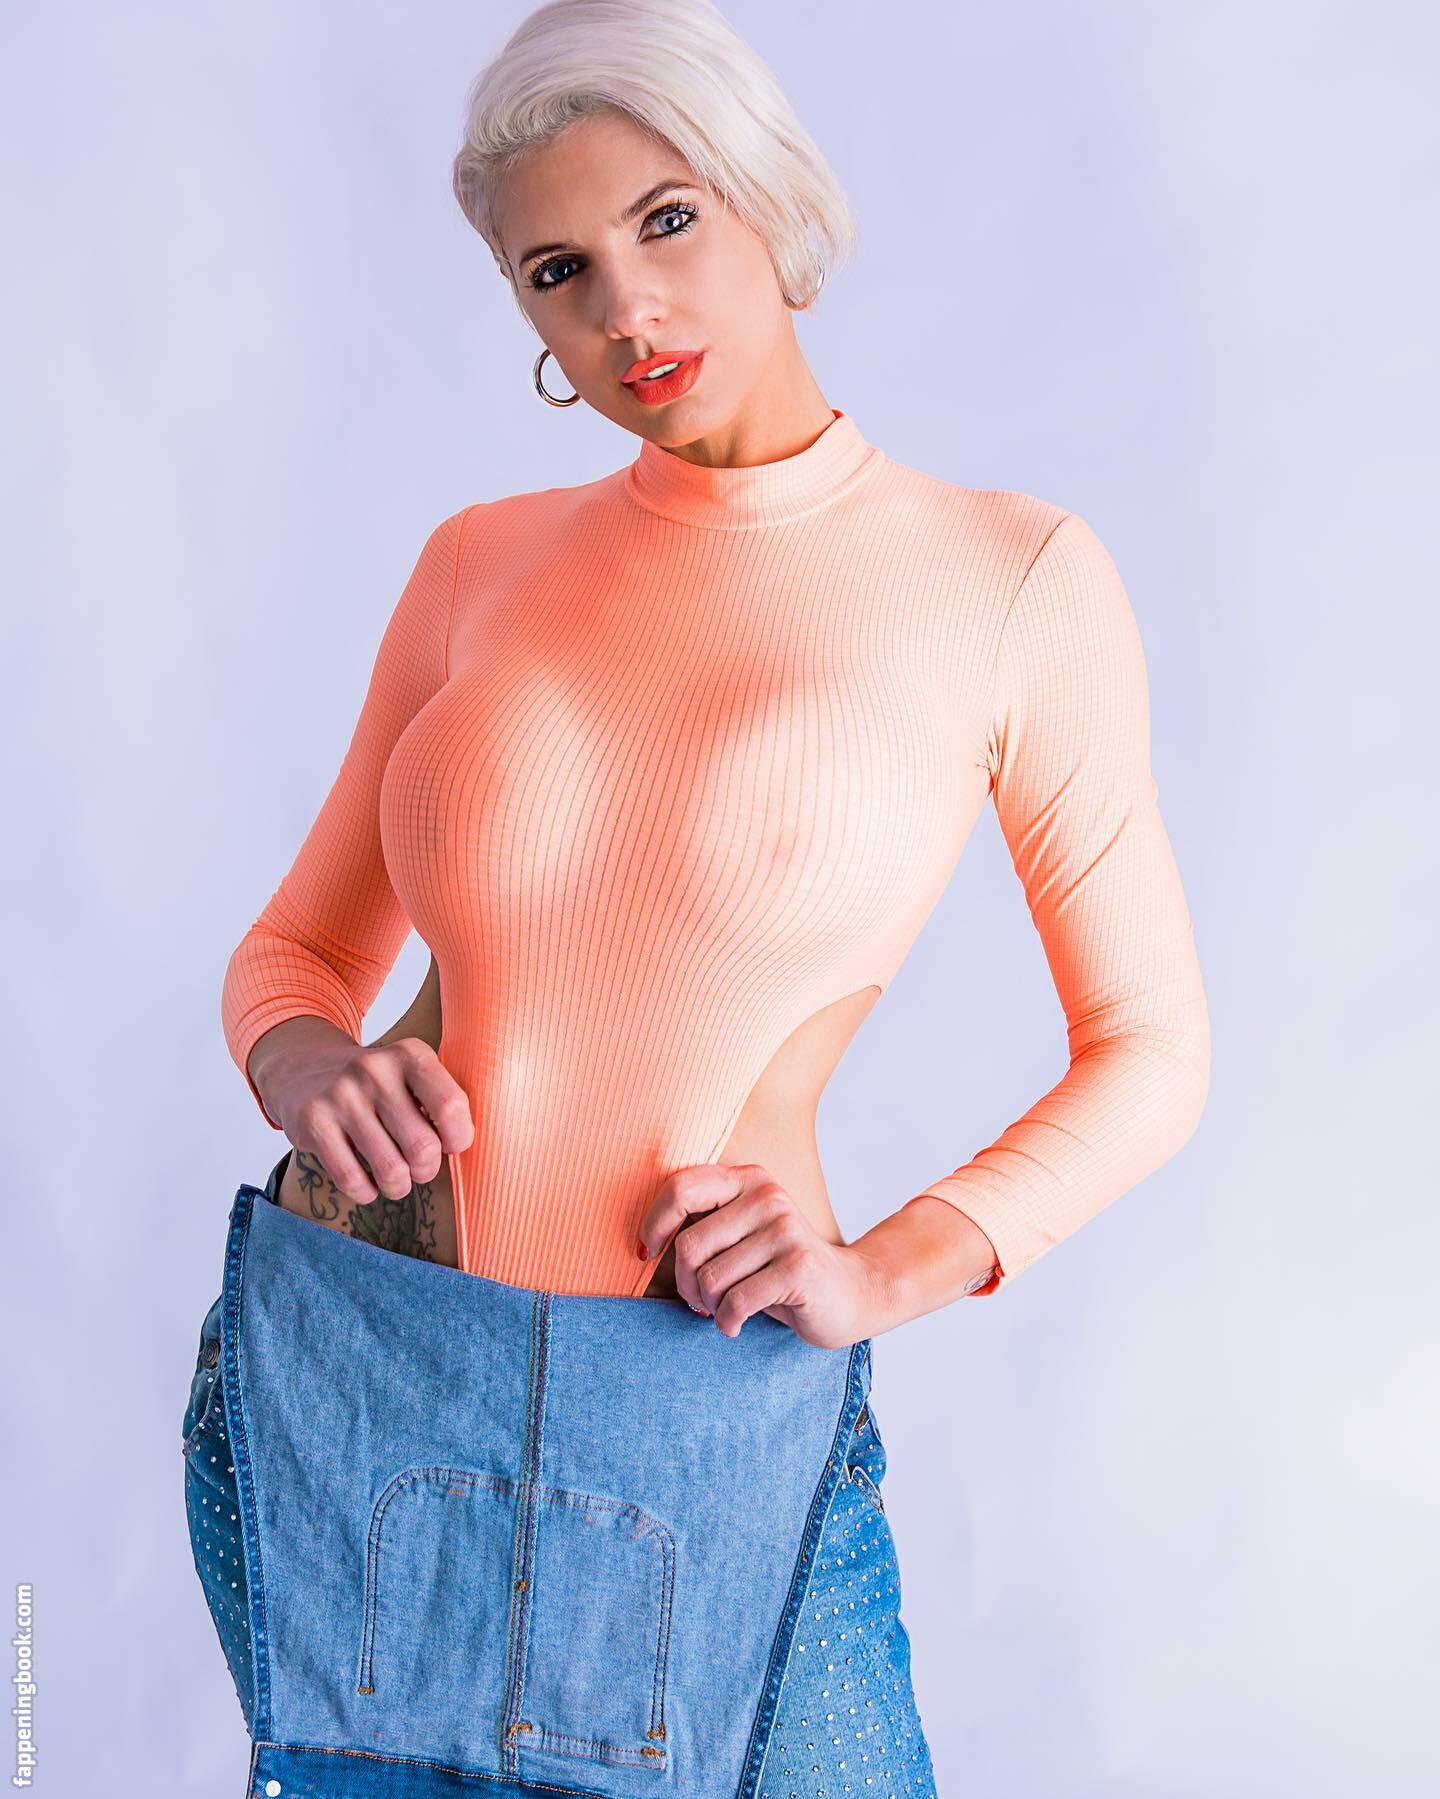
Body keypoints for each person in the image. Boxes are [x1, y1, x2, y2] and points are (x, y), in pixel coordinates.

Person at [181, 2, 1211, 1793]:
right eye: (558, 273)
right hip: (357, 1359)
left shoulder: (1010, 579)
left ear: (768, 196)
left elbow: (1149, 1050)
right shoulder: (479, 562)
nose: (627, 312)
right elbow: (301, 952)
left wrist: (887, 1269)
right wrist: (304, 1063)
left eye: (668, 221)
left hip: (705, 1405)